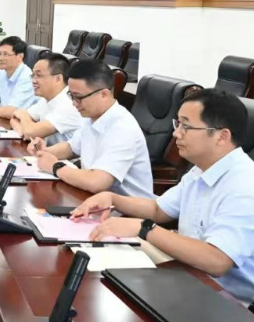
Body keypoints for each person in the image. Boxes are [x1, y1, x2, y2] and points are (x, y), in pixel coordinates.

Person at [72, 89, 254, 306]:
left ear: (222, 136)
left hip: (229, 302)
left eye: (186, 126)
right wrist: (112, 199)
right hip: (189, 275)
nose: (176, 134)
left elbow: (217, 261)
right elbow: (159, 209)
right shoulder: (201, 169)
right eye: (178, 124)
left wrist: (144, 228)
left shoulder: (244, 185)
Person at [30, 59, 154, 198]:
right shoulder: (91, 117)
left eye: (79, 97)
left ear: (104, 94)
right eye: (71, 96)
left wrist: (55, 167)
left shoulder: (122, 128)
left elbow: (97, 182)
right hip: (94, 199)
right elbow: (72, 147)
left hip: (124, 208)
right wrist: (45, 152)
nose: (74, 104)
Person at [11, 53, 86, 144]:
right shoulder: (47, 98)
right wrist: (23, 131)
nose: (33, 81)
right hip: (47, 150)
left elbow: (29, 131)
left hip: (64, 153)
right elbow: (14, 118)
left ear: (58, 79)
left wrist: (24, 118)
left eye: (39, 75)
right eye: (33, 75)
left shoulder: (69, 104)